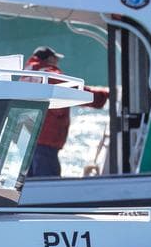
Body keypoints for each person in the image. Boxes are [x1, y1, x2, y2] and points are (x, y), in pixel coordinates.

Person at [24, 46, 109, 177]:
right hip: (45, 139)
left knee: (28, 185)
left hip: (27, 138)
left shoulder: (27, 75)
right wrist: (104, 96)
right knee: (48, 184)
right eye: (56, 59)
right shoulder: (49, 74)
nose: (57, 63)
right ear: (50, 59)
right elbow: (75, 91)